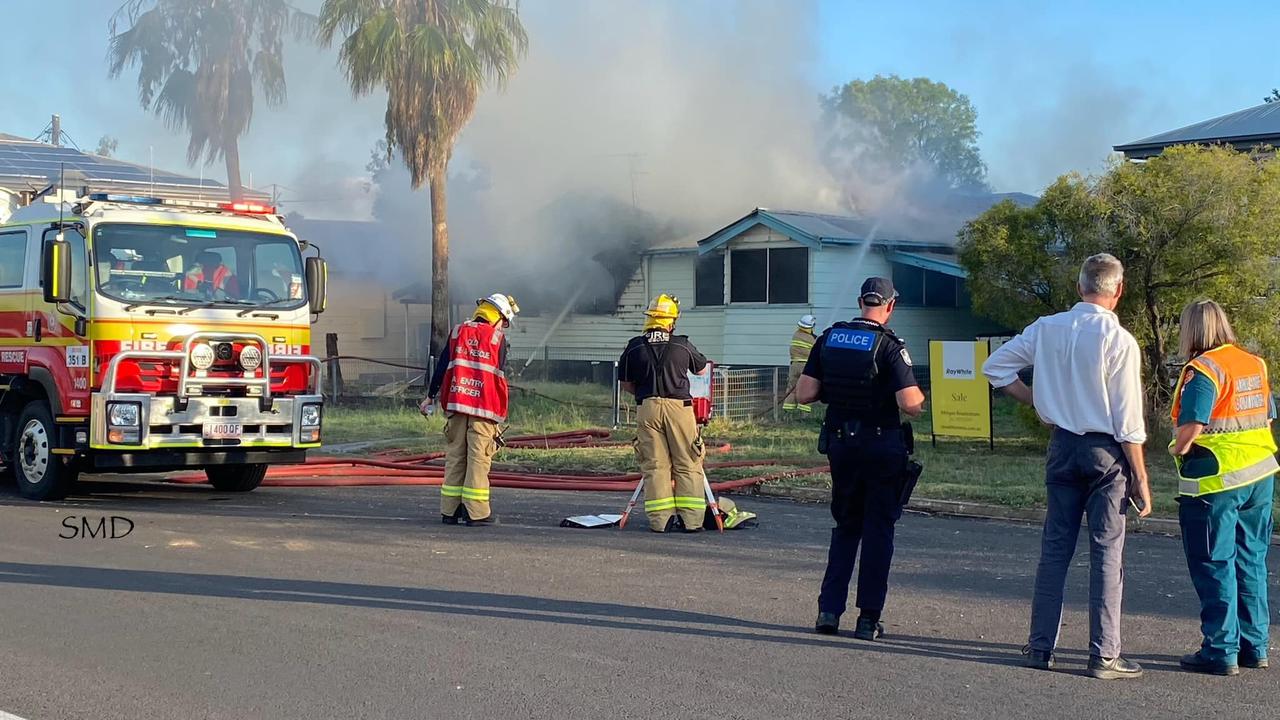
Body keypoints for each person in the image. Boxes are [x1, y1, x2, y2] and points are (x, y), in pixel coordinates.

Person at [981, 253, 1151, 681]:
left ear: (1079, 288)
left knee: (1055, 549)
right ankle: (1103, 654)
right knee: (1106, 551)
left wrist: (1038, 401)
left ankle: (1041, 647)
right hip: (1105, 452)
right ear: (1119, 290)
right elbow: (1128, 420)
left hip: (1062, 446)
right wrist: (1141, 478)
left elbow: (995, 367)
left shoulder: (1047, 327)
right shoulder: (1120, 341)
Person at [795, 277, 925, 641]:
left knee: (846, 526)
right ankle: (868, 619)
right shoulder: (889, 345)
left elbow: (805, 393)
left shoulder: (829, 338)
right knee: (879, 530)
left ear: (860, 302)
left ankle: (828, 612)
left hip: (841, 445)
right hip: (882, 446)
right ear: (890, 306)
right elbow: (909, 404)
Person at [1168, 300, 1275, 676]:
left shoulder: (1203, 369)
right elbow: (1267, 413)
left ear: (1192, 330)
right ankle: (1255, 646)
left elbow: (1192, 424)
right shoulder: (1253, 363)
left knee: (1214, 563)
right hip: (1260, 476)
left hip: (1216, 481)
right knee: (1251, 561)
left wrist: (1177, 448)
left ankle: (1220, 650)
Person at [423, 293, 519, 527]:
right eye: (504, 322)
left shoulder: (458, 332)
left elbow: (443, 364)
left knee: (455, 456)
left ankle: (450, 511)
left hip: (456, 405)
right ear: (498, 317)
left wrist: (429, 397)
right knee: (479, 458)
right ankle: (475, 513)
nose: (503, 327)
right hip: (483, 409)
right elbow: (498, 374)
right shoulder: (498, 339)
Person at [618, 294, 710, 533]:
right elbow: (701, 370)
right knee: (688, 462)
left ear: (650, 319)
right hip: (679, 408)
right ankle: (692, 522)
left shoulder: (635, 345)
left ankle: (662, 521)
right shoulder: (682, 344)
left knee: (655, 465)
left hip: (647, 407)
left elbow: (626, 383)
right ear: (671, 321)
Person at [782, 314, 818, 413]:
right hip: (806, 367)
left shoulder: (796, 335)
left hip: (794, 365)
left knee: (791, 388)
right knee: (807, 389)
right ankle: (804, 413)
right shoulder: (812, 339)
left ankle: (788, 411)